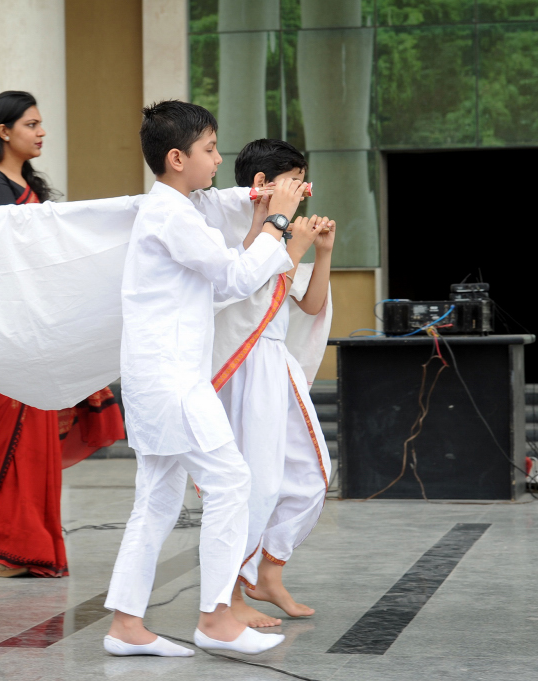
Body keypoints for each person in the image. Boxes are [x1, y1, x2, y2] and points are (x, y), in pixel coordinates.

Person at [102, 101, 321, 658]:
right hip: (173, 381)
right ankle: (216, 618)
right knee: (230, 484)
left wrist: (263, 216)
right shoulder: (173, 216)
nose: (218, 159)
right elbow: (240, 274)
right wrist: (278, 223)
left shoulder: (179, 213)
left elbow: (223, 288)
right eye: (209, 150)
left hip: (162, 380)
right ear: (177, 158)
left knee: (155, 502)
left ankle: (126, 625)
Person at [0, 91, 126, 578]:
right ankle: (0, 546)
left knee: (37, 445)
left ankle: (33, 544)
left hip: (33, 333)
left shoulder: (31, 185)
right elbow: (18, 248)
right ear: (3, 131)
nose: (41, 132)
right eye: (31, 124)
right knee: (1, 441)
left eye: (41, 123)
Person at [217, 139, 335, 627]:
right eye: (295, 180)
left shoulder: (282, 231)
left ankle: (269, 570)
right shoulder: (226, 228)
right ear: (262, 184)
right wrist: (293, 241)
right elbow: (240, 289)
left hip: (274, 364)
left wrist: (320, 251)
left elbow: (308, 305)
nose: (304, 191)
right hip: (242, 367)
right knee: (253, 483)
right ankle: (230, 595)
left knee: (311, 476)